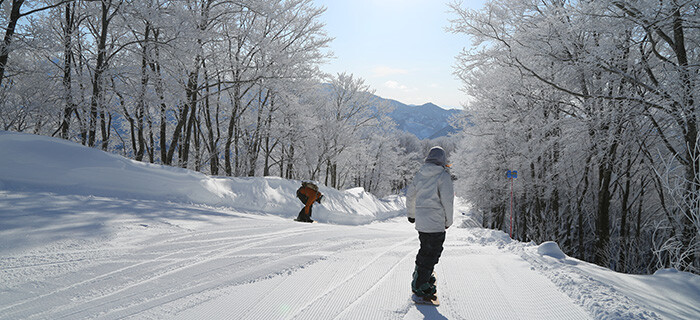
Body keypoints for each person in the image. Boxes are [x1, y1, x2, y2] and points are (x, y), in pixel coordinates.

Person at [406, 146, 454, 301]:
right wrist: (448, 221)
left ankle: (420, 276)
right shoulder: (443, 175)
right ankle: (420, 285)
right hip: (435, 221)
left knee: (425, 249)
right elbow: (448, 201)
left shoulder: (420, 174)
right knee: (432, 253)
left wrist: (411, 215)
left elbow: (410, 195)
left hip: (421, 221)